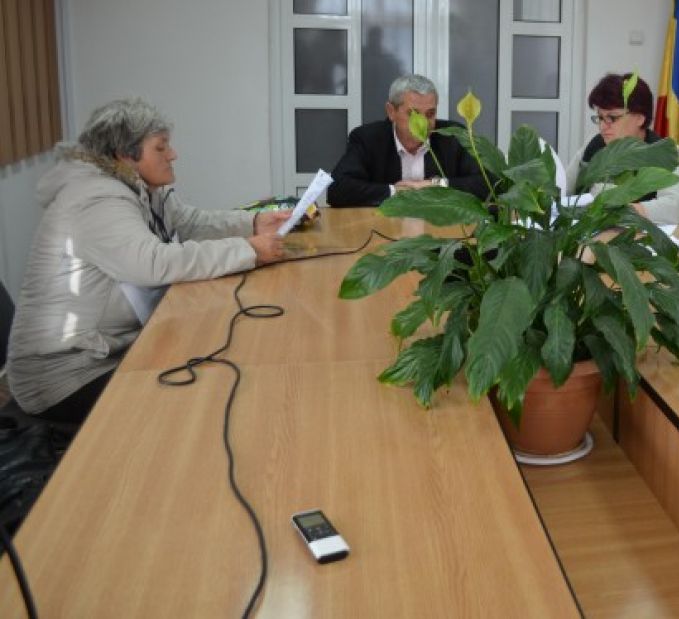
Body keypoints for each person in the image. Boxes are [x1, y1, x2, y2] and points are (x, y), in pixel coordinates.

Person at [7, 99, 290, 423]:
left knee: (217, 369)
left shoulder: (142, 187)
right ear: (125, 154)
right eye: (160, 147)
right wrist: (248, 250)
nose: (173, 155)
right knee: (200, 405)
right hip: (65, 375)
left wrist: (252, 223)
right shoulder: (95, 199)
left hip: (112, 351)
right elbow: (152, 263)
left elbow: (191, 222)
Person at [327, 74, 488, 206]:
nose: (423, 123)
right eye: (414, 114)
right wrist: (398, 192)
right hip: (385, 230)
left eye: (430, 114)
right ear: (391, 112)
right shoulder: (368, 138)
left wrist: (436, 186)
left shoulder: (452, 136)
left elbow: (488, 185)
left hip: (443, 231)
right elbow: (338, 189)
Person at [563, 73, 679, 224]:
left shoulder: (666, 153)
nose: (602, 126)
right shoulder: (593, 144)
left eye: (612, 118)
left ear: (640, 118)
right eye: (600, 117)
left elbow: (678, 207)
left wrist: (624, 212)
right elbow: (563, 189)